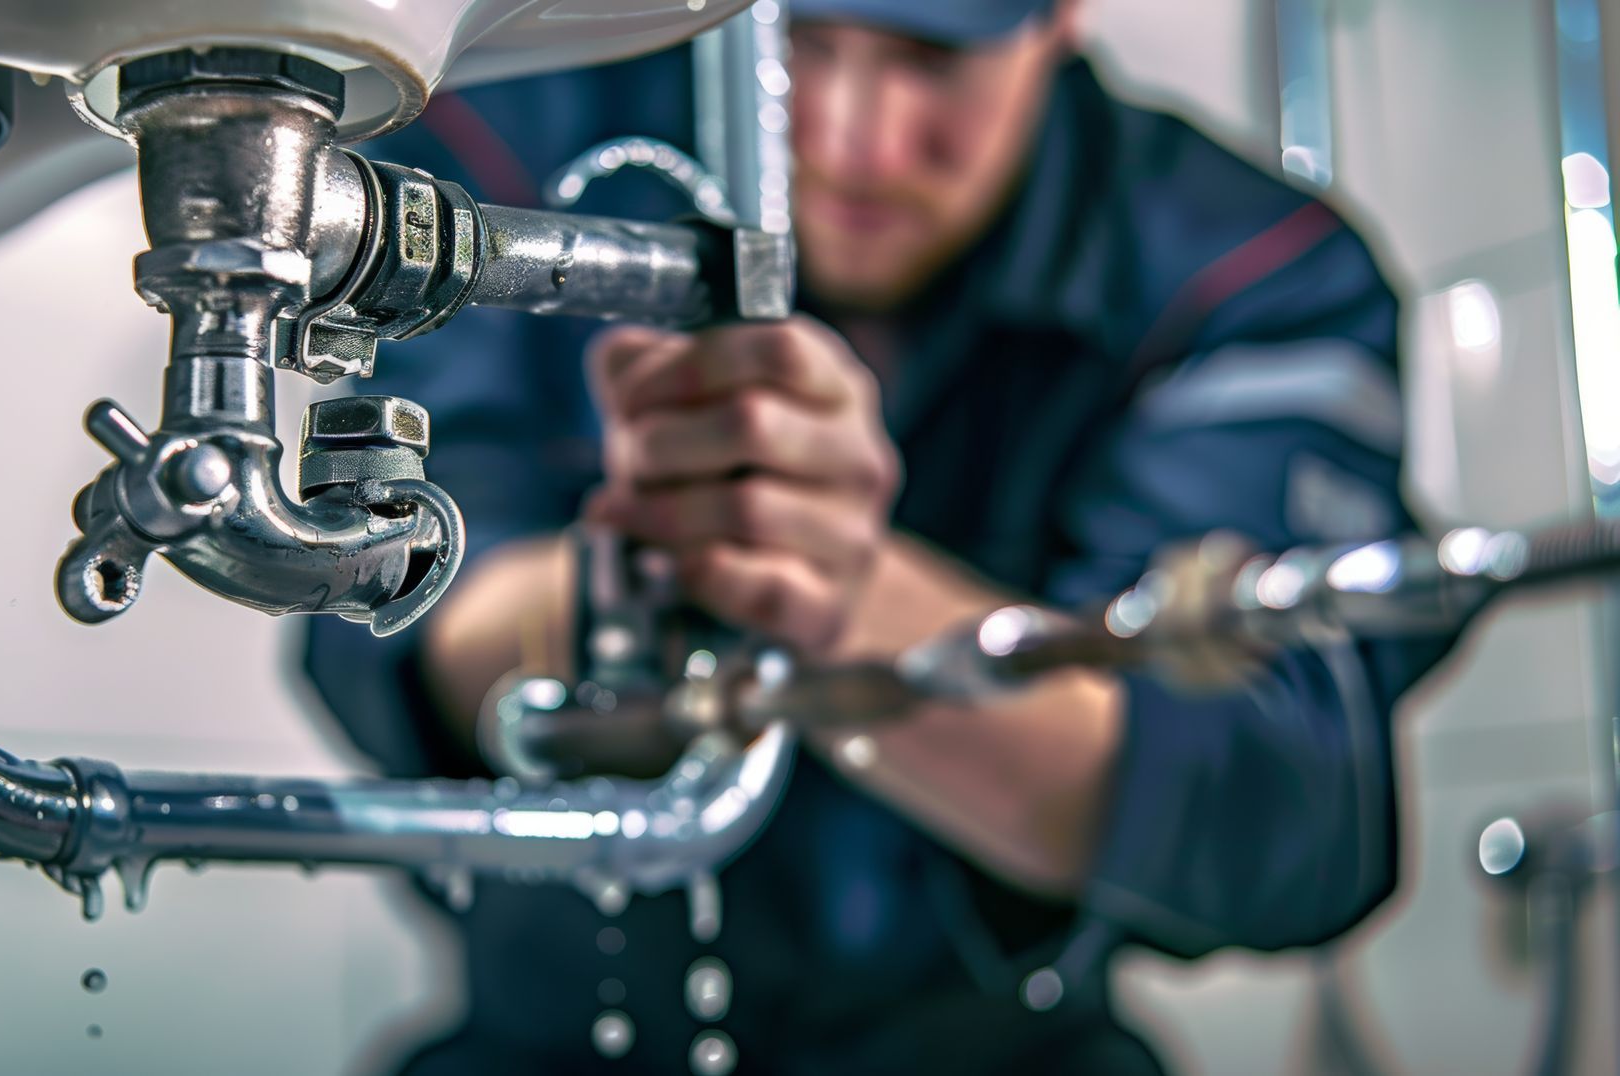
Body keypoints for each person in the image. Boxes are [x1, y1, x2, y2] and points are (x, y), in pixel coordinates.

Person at [306, 1, 1447, 1071]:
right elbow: (399, 613)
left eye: (933, 58)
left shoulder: (1244, 270)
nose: (855, 136)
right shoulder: (505, 153)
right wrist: (640, 584)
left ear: (1058, 15)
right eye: (799, 40)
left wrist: (832, 585)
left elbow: (1276, 815)